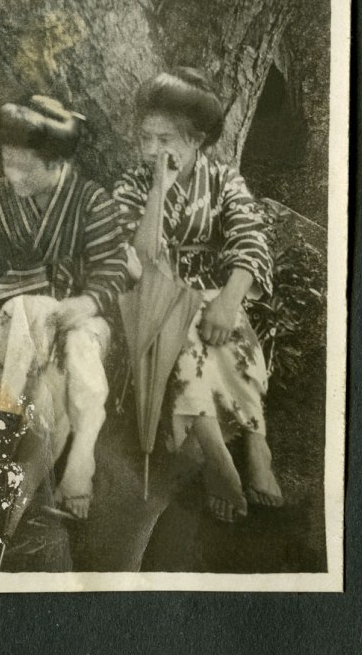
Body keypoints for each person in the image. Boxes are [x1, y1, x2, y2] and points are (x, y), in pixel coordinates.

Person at [114, 67, 284, 523]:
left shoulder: (223, 179)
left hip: (215, 292)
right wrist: (157, 190)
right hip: (158, 298)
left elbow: (250, 239)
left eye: (165, 139)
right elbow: (143, 257)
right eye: (146, 138)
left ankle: (255, 443)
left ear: (196, 140)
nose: (152, 150)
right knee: (185, 337)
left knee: (228, 333)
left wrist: (229, 302)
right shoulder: (134, 182)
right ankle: (214, 452)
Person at [0, 96, 131, 520]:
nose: (11, 174)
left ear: (56, 163)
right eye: (6, 162)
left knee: (78, 346)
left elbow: (114, 268)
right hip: (11, 329)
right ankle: (63, 469)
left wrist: (86, 301)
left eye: (24, 165)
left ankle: (56, 462)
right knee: (35, 312)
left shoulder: (91, 202)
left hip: (81, 324)